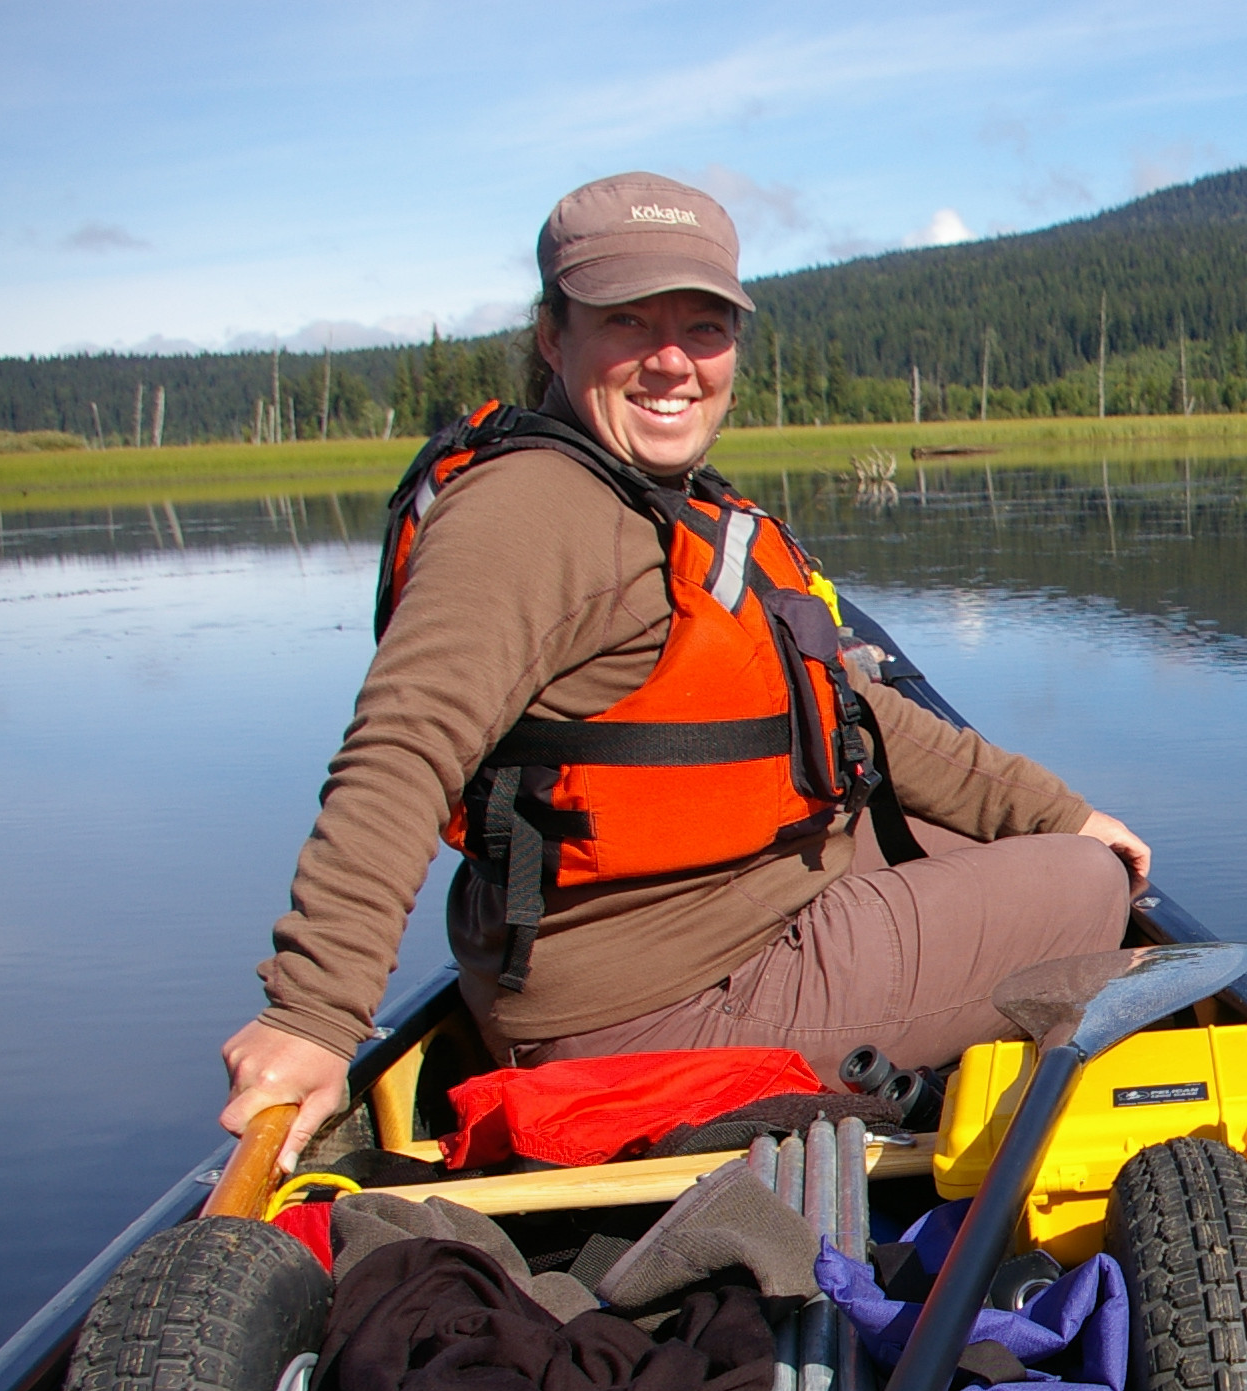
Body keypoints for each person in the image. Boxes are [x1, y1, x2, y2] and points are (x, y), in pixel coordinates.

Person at [219, 173, 1143, 1167]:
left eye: (703, 327)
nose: (672, 361)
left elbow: (852, 711)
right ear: (552, 335)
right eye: (627, 321)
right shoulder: (527, 515)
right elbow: (403, 747)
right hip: (652, 1013)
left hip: (698, 922)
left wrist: (1054, 802)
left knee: (974, 823)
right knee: (1090, 888)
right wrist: (316, 1013)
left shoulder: (656, 501)